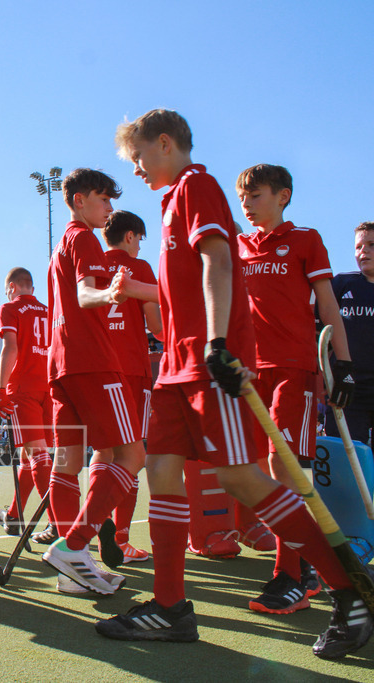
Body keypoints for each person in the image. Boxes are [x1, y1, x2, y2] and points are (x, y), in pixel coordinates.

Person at [98, 108, 372, 660]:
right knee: (162, 469)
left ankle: (349, 594)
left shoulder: (197, 186)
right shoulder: (171, 199)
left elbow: (218, 262)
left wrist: (218, 343)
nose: (135, 170)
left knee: (245, 477)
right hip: (174, 366)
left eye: (138, 157)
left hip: (206, 363)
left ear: (166, 143)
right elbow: (178, 290)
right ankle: (171, 607)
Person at [235, 163, 353, 613]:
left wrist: (343, 365)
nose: (247, 204)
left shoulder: (305, 240)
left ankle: (291, 576)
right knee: (253, 468)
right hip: (249, 374)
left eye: (256, 195)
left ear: (283, 196)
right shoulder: (238, 246)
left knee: (288, 467)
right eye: (243, 197)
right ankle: (301, 561)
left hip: (295, 371)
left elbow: (327, 305)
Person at [40, 168, 144, 596]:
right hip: (93, 362)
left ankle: (74, 568)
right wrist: (112, 294)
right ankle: (75, 545)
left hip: (62, 364)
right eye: (104, 200)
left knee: (66, 463)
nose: (109, 209)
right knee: (133, 455)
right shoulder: (82, 237)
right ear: (80, 200)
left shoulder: (60, 246)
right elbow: (87, 294)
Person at [100, 210, 162, 563]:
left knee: (102, 453)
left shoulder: (90, 264)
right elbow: (156, 325)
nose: (140, 246)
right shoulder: (139, 270)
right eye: (140, 238)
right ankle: (118, 535)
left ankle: (96, 523)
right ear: (130, 237)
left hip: (97, 372)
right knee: (132, 455)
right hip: (132, 373)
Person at [0, 267, 54, 542]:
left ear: (12, 287)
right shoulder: (49, 311)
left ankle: (57, 524)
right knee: (29, 457)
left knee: (38, 455)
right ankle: (14, 516)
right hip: (48, 388)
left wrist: (0, 388)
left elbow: (11, 348)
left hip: (23, 389)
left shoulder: (9, 308)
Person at [326, 222, 374, 446]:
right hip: (347, 388)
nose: (363, 252)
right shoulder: (341, 284)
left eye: (371, 245)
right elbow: (320, 334)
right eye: (358, 247)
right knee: (348, 462)